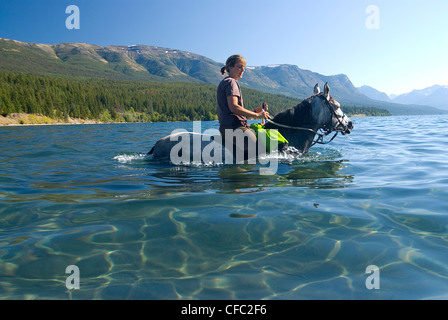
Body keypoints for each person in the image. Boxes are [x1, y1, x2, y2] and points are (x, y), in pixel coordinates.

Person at [217, 55, 269, 161]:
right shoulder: (231, 82)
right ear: (230, 67)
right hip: (234, 127)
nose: (243, 70)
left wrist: (258, 110)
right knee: (260, 149)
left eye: (244, 67)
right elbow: (234, 107)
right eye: (239, 67)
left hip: (230, 126)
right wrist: (257, 115)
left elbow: (237, 112)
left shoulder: (226, 81)